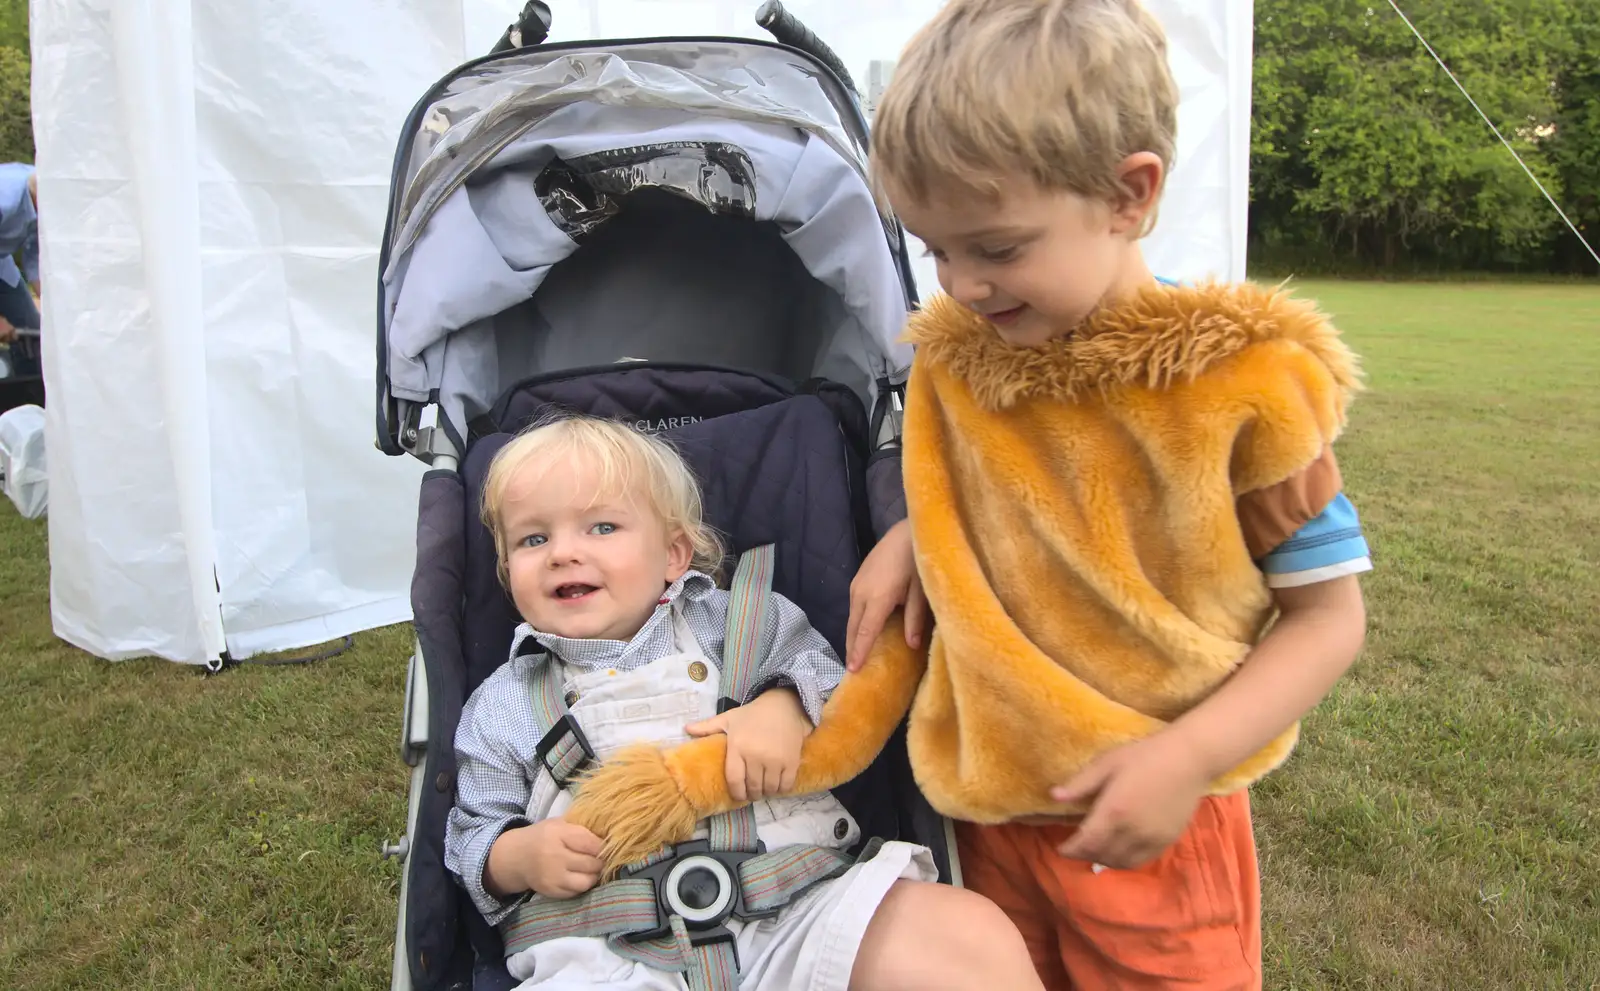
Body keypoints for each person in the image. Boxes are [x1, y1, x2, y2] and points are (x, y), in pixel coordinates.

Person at [843, 0, 1374, 987]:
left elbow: (1327, 618)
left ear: (1129, 195)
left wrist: (1184, 759)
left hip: (1154, 832)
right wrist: (920, 529)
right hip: (991, 810)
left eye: (995, 248)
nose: (958, 284)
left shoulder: (1240, 390)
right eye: (932, 250)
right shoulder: (964, 362)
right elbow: (1015, 487)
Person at [445, 415, 1044, 991]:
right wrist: (516, 858)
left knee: (967, 935)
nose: (562, 553)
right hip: (608, 944)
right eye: (533, 538)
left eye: (602, 528)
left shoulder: (738, 622)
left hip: (795, 901)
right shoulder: (508, 701)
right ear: (507, 571)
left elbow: (830, 680)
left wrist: (784, 706)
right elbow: (473, 830)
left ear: (675, 555)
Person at [0, 163, 40, 347]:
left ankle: (31, 374)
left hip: (2, 263)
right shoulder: (5, 198)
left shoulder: (46, 207)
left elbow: (36, 261)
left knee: (31, 333)